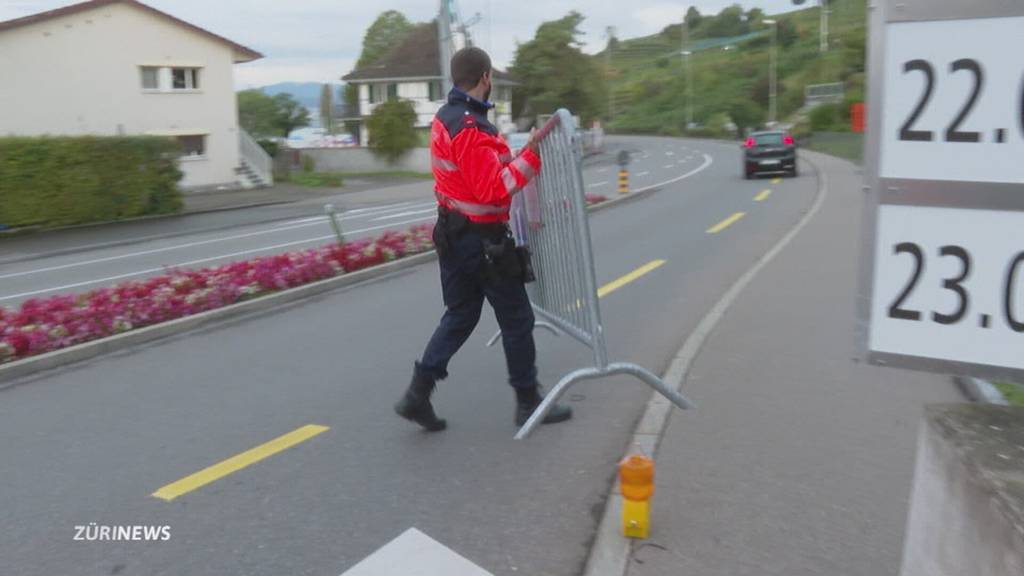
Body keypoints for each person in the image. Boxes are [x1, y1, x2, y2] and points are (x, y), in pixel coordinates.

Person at [394, 46, 573, 432]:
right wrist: (532, 158)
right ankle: (528, 402)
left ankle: (418, 394)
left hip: (452, 233)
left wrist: (515, 156)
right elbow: (492, 189)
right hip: (481, 241)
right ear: (486, 78)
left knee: (460, 315)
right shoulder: (472, 127)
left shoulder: (446, 118)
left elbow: (474, 174)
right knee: (517, 318)